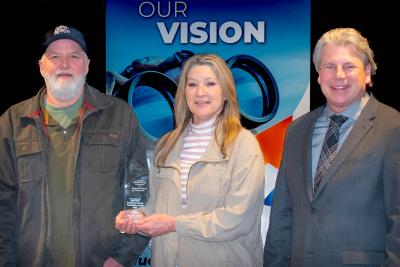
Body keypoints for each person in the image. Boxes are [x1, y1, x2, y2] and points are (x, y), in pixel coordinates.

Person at [0, 25, 150, 266]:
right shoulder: (12, 121)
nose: (64, 64)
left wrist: (122, 257)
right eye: (54, 56)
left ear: (87, 64)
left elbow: (140, 189)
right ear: (41, 66)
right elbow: (3, 203)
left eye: (74, 56)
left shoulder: (120, 116)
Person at [263, 27, 400, 267]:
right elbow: (282, 212)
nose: (339, 75)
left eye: (349, 66)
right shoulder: (297, 131)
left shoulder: (392, 127)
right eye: (329, 66)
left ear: (367, 73)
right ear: (318, 75)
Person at [115, 54, 265, 266]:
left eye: (210, 83)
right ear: (182, 92)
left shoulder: (243, 144)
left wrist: (174, 224)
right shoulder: (166, 144)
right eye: (192, 84)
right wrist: (137, 216)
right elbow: (157, 203)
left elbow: (238, 219)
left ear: (226, 92)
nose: (200, 92)